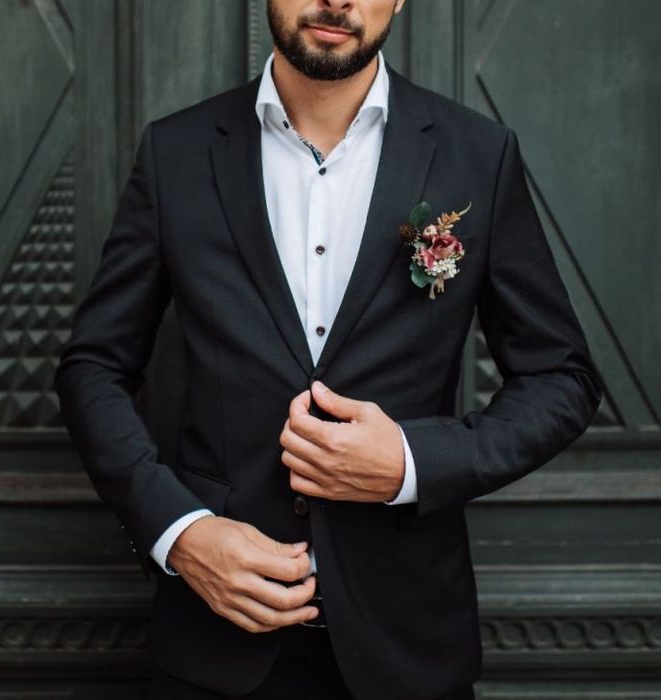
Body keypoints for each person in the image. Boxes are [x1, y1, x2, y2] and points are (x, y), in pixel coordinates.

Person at [54, 1, 602, 698]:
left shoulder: (478, 155)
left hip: (407, 649)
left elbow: (562, 378)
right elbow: (93, 367)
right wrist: (180, 532)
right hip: (213, 649)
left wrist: (409, 461)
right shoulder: (177, 151)